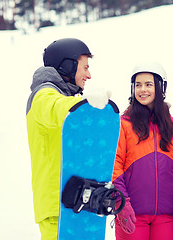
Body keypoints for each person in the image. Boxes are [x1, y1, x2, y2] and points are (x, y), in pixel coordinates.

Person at [26, 38, 111, 240]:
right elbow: (57, 108)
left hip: (73, 201)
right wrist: (86, 106)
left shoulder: (63, 97)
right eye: (85, 68)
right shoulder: (43, 96)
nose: (89, 75)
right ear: (67, 65)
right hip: (57, 208)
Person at [112, 62, 173, 240]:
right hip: (132, 214)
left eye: (148, 84)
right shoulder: (123, 124)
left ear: (160, 88)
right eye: (138, 85)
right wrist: (121, 203)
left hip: (167, 217)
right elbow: (114, 165)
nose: (143, 90)